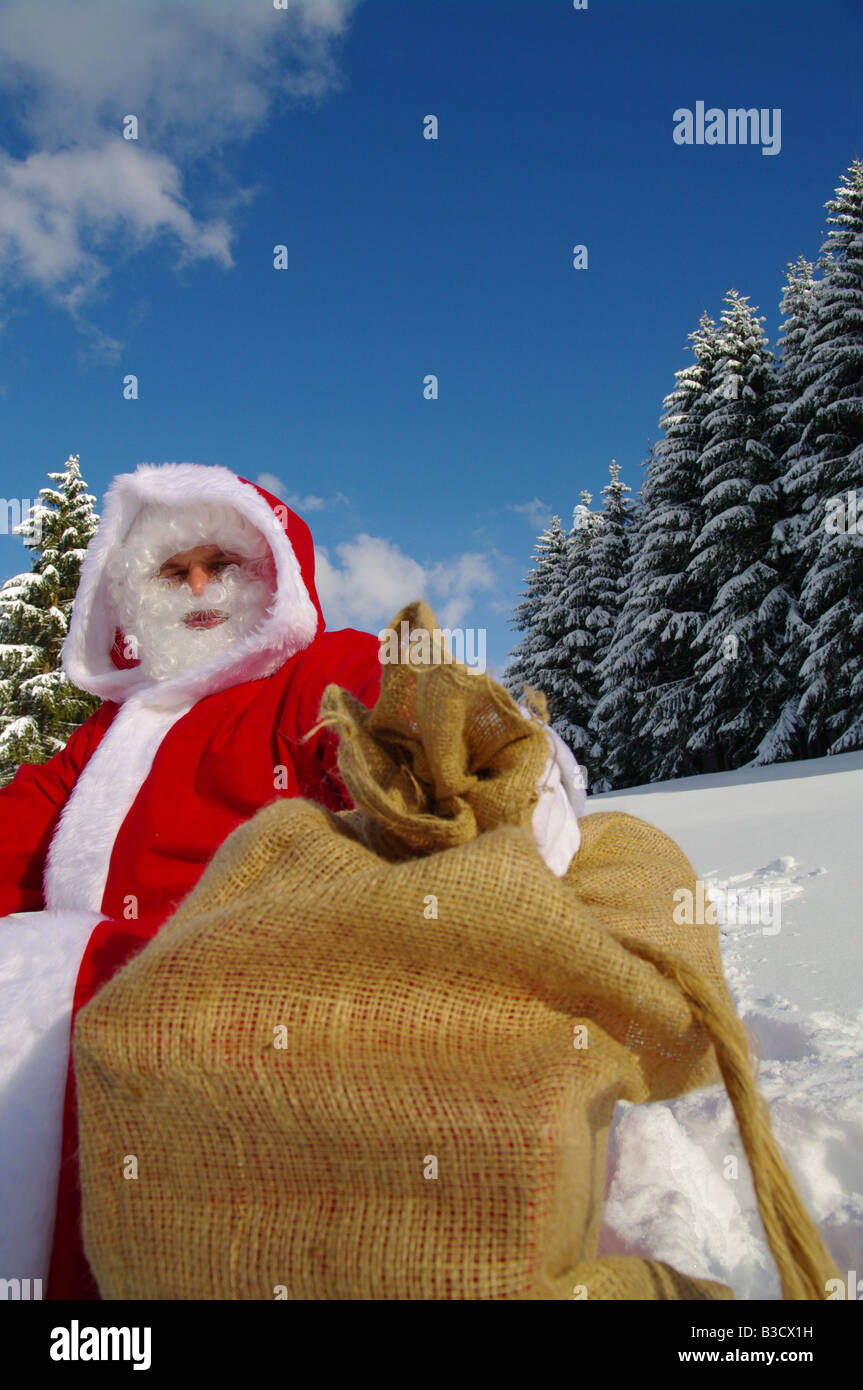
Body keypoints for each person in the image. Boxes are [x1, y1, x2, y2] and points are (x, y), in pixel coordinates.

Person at [0, 460, 584, 1299]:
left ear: (268, 572)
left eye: (221, 563)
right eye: (174, 569)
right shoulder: (108, 735)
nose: (199, 585)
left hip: (230, 1001)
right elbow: (18, 831)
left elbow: (390, 705)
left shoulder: (309, 673)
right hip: (71, 1005)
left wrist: (447, 752)